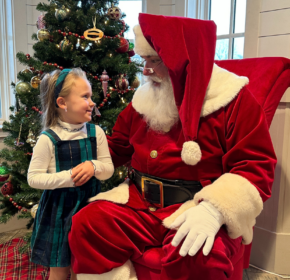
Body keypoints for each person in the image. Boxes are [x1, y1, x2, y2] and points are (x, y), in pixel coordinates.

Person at [69, 14, 277, 280]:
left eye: (155, 60)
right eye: (144, 61)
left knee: (198, 254)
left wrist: (214, 210)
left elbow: (256, 167)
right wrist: (73, 148)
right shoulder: (145, 98)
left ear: (185, 61)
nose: (146, 70)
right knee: (88, 224)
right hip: (139, 205)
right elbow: (117, 147)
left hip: (195, 206)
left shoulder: (233, 100)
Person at [28, 68, 114, 280]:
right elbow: (34, 178)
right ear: (62, 103)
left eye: (91, 96)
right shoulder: (48, 139)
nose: (92, 102)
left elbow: (108, 170)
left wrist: (94, 166)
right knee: (60, 266)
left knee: (81, 263)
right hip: (59, 211)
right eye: (85, 97)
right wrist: (69, 177)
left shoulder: (96, 132)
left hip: (90, 206)